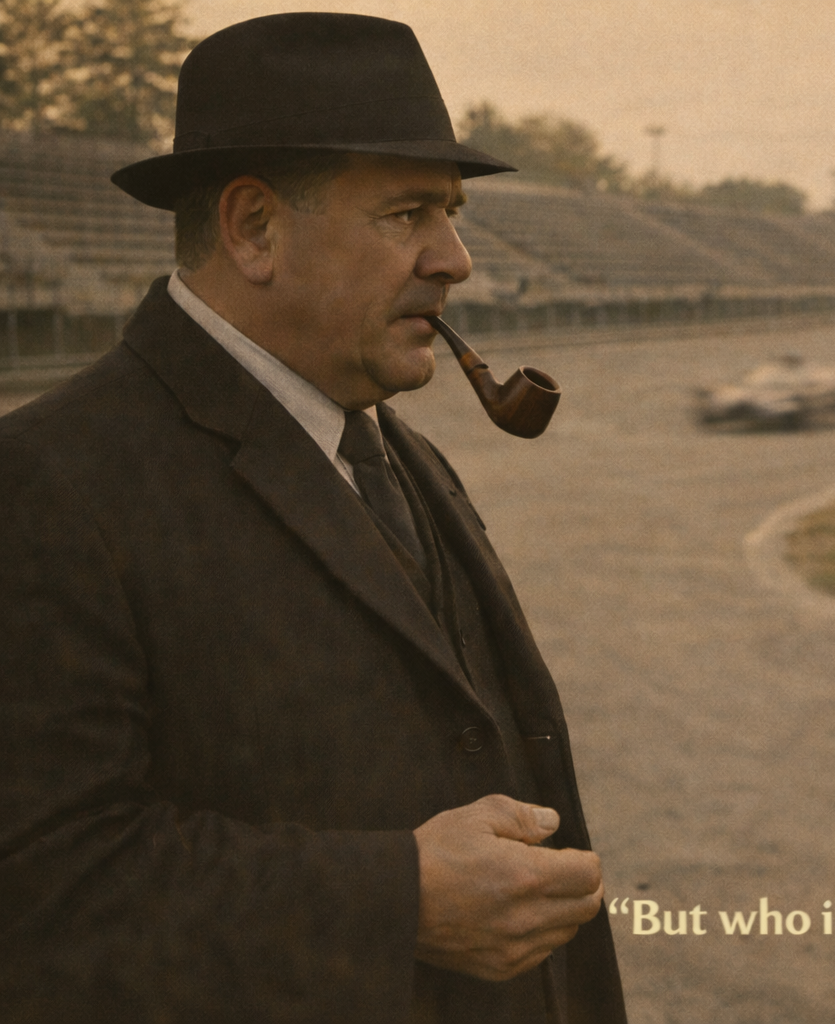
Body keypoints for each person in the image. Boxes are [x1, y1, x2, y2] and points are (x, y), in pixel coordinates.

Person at [0, 14, 624, 1024]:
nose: (455, 259)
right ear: (253, 229)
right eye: (407, 214)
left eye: (452, 212)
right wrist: (396, 900)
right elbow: (42, 887)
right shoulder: (46, 484)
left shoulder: (397, 448)